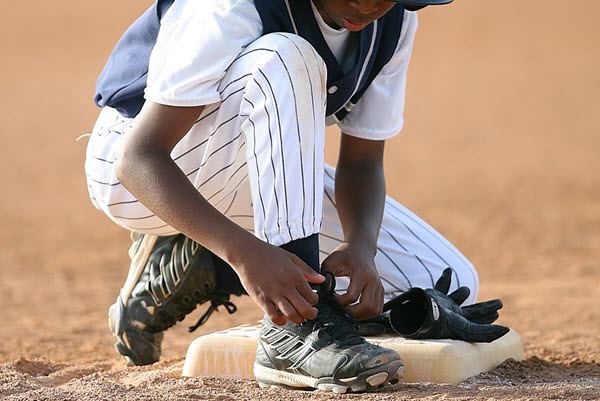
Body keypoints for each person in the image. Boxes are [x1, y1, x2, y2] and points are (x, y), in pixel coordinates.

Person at [85, 0, 480, 393]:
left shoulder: (394, 21)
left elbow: (361, 162)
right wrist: (244, 253)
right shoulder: (231, 6)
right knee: (288, 55)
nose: (366, 5)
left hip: (252, 168)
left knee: (446, 282)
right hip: (141, 168)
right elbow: (138, 159)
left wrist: (361, 248)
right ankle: (295, 332)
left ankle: (200, 262)